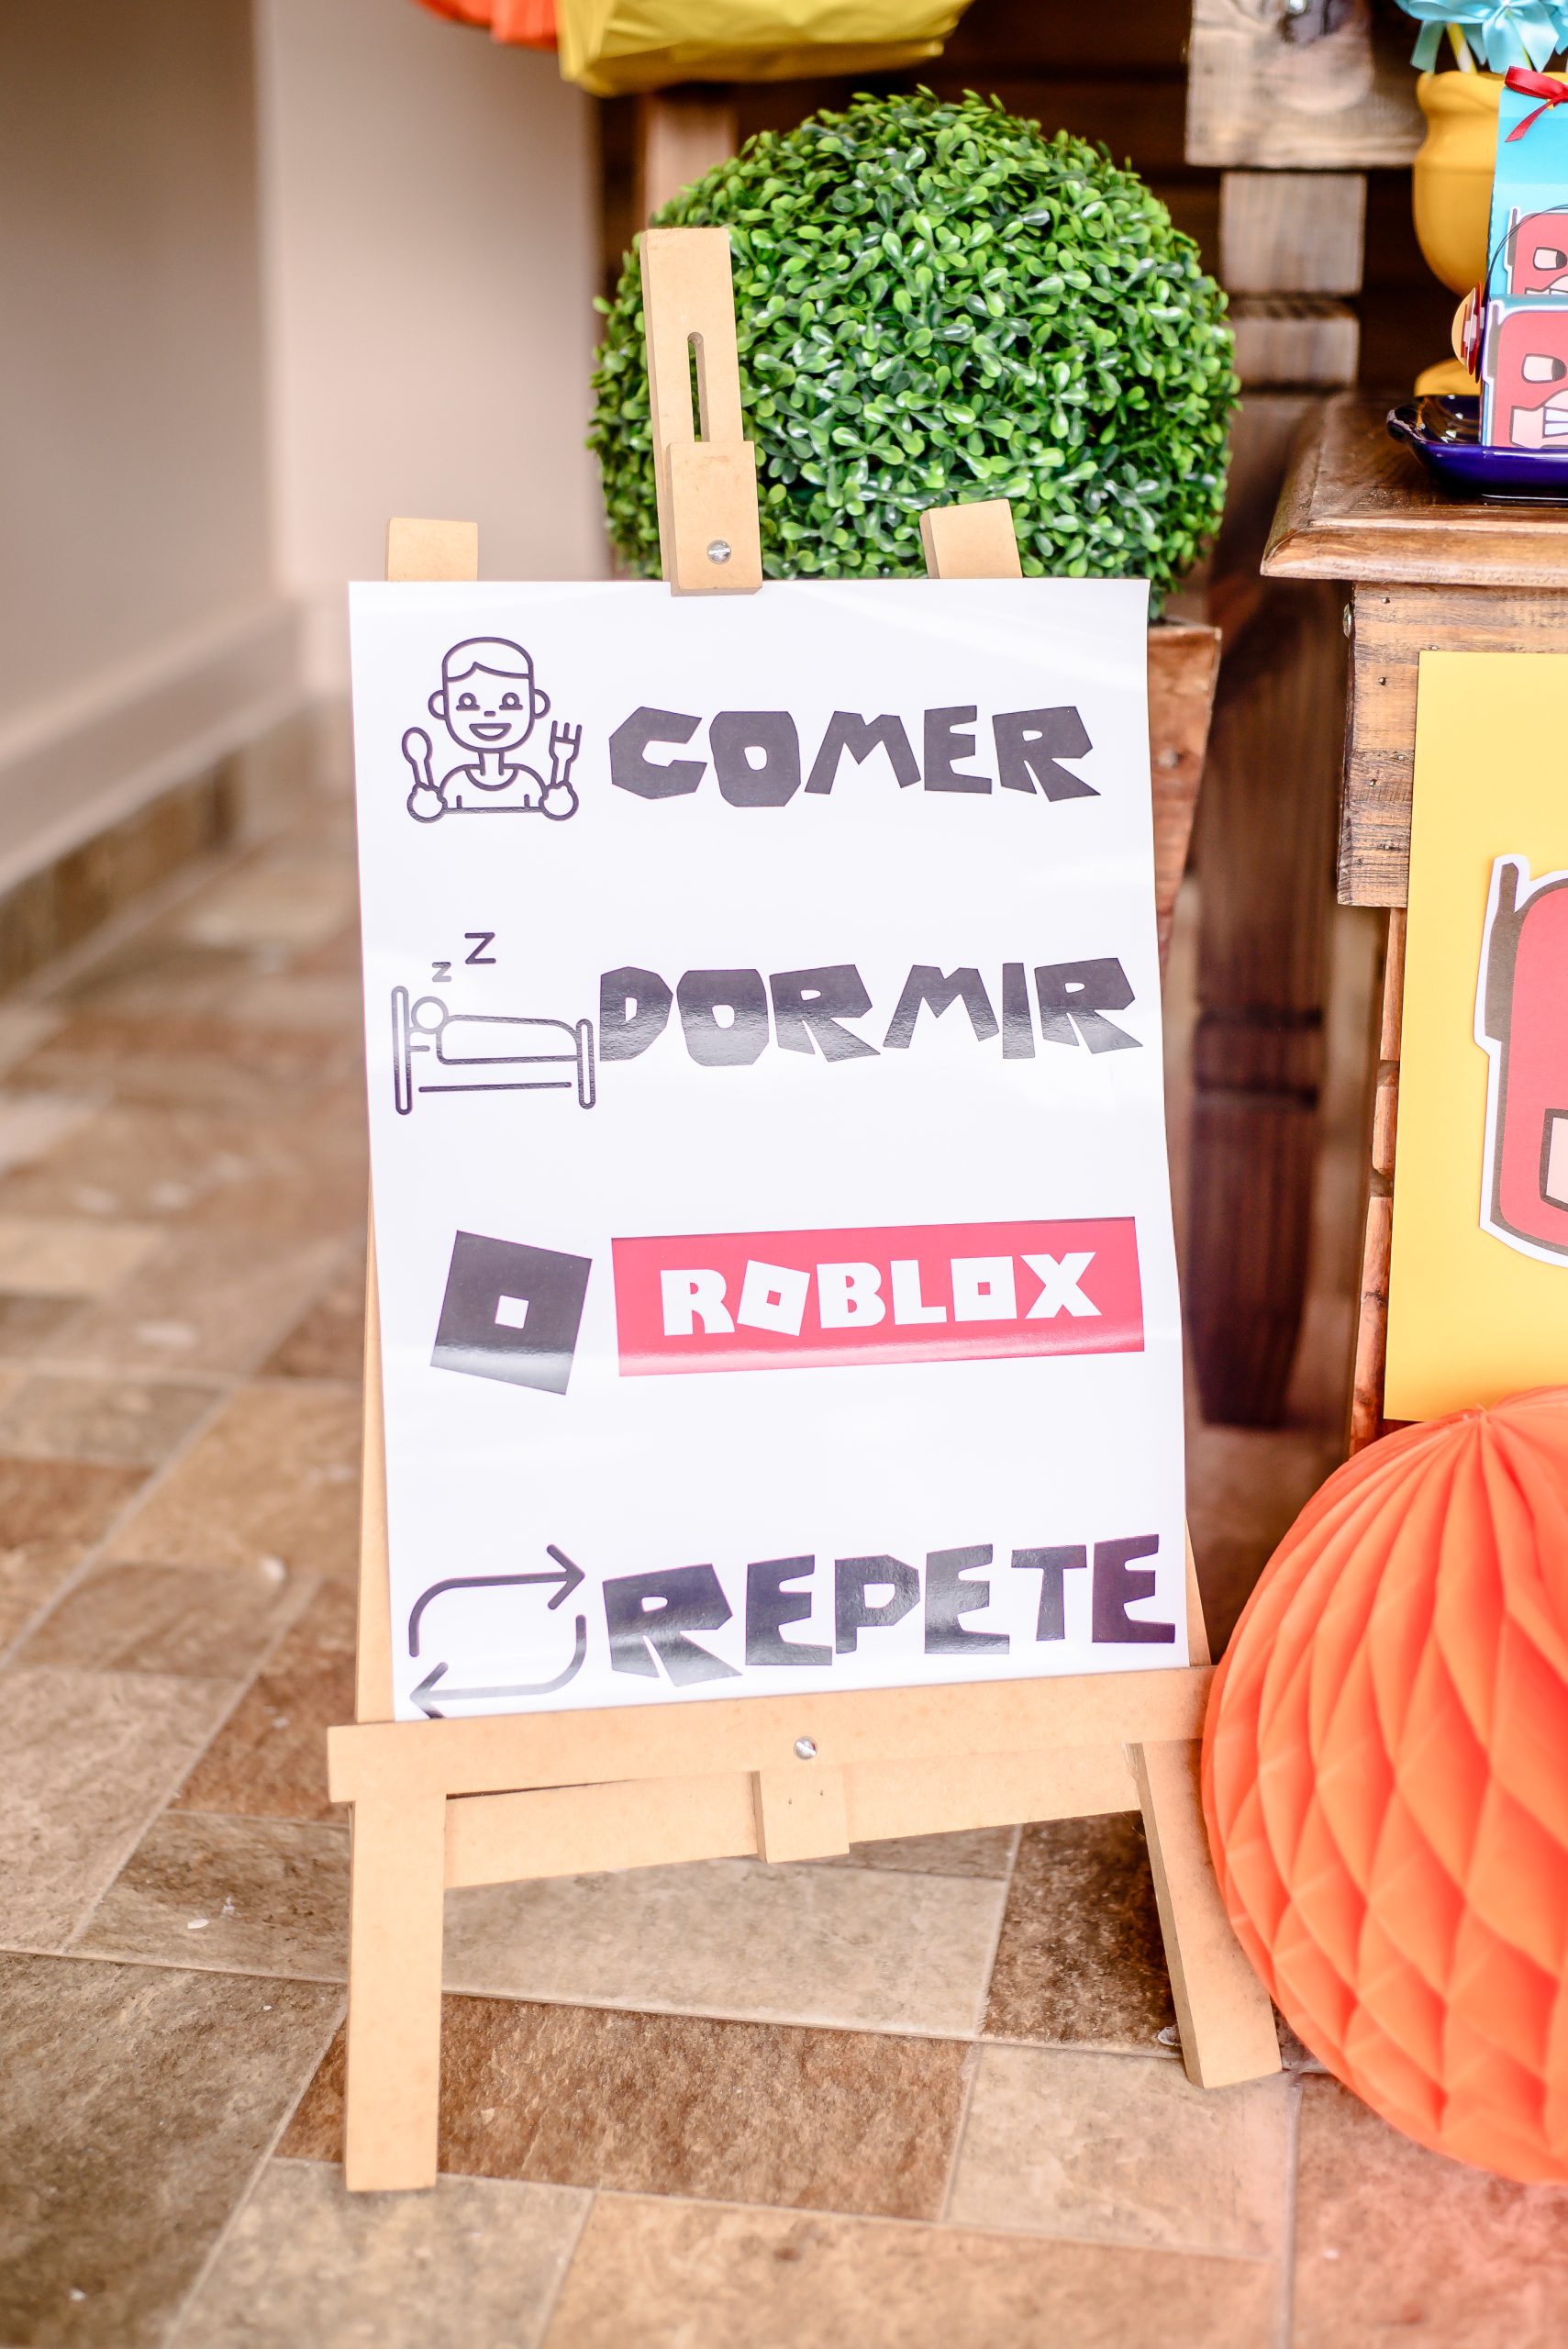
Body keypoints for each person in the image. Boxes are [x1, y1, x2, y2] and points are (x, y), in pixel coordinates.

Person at [401, 636, 581, 820]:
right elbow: (430, 810)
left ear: (536, 704)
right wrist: (425, 801)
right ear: (442, 706)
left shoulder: (527, 783)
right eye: (467, 702)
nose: (489, 713)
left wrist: (559, 792)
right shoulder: (456, 786)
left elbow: (555, 808)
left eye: (510, 701)